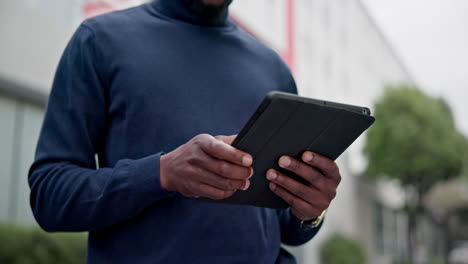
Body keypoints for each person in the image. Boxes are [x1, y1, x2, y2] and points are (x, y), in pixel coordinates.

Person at [28, 0, 341, 263]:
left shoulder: (273, 68)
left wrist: (310, 209)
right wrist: (161, 173)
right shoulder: (99, 41)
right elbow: (50, 196)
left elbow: (286, 226)